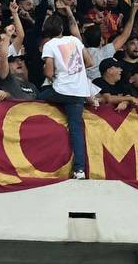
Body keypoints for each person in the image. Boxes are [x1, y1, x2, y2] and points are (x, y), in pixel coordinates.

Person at [39, 14, 97, 179]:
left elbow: (49, 73)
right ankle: (80, 170)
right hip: (79, 92)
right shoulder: (74, 40)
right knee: (76, 130)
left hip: (61, 91)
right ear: (61, 28)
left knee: (39, 95)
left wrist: (49, 71)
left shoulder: (49, 45)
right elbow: (90, 62)